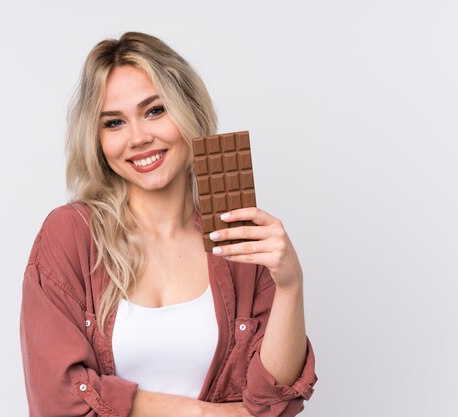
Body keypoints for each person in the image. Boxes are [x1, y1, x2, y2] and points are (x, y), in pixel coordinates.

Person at [20, 32, 318, 417]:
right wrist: (204, 413)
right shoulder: (71, 235)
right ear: (97, 141)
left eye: (155, 111)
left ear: (188, 110)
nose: (139, 138)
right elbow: (56, 398)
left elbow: (274, 400)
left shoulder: (237, 235)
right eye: (114, 123)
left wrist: (290, 285)